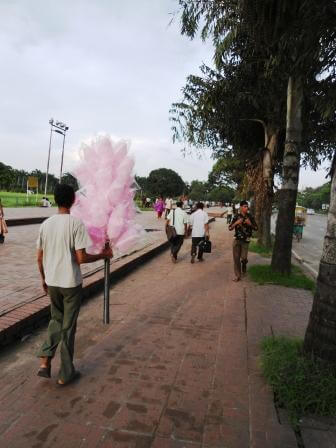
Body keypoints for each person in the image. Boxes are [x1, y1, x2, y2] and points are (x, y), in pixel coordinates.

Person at [36, 184, 113, 386]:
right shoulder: (76, 224)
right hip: (70, 283)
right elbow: (81, 257)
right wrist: (103, 255)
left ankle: (45, 361)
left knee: (56, 320)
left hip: (52, 281)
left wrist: (43, 279)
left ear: (54, 199)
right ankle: (65, 374)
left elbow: (39, 257)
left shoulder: (46, 224)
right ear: (73, 200)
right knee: (68, 327)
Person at [229, 200, 258, 282]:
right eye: (245, 206)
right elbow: (230, 228)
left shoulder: (250, 217)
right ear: (241, 207)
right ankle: (238, 275)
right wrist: (236, 223)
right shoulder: (236, 216)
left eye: (247, 206)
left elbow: (256, 228)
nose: (246, 208)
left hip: (246, 241)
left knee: (244, 258)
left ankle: (244, 264)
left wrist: (250, 224)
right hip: (237, 240)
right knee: (236, 259)